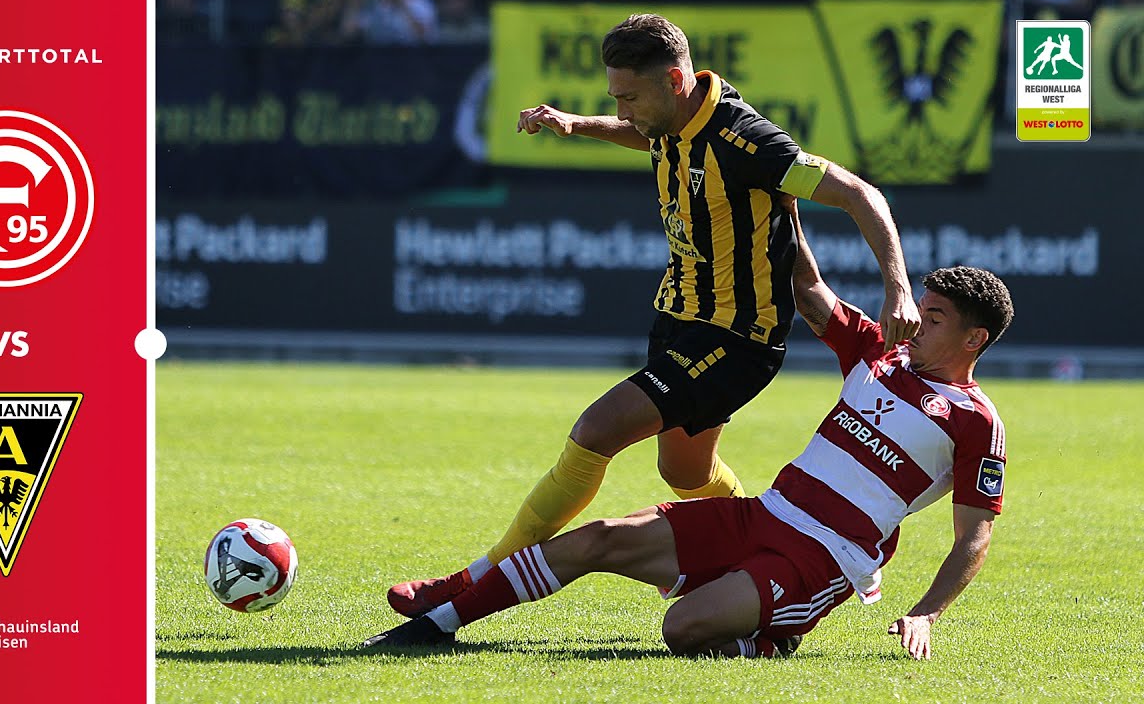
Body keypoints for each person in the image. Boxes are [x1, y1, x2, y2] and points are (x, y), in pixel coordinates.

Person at [385, 13, 920, 620]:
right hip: (679, 321)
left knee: (596, 430)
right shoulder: (670, 118)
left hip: (734, 339)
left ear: (674, 79)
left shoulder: (749, 141)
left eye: (630, 96)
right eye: (616, 96)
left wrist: (898, 289)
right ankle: (774, 551)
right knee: (684, 470)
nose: (624, 108)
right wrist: (576, 124)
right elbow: (647, 135)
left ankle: (471, 581)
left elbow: (858, 193)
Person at [366, 202, 1014, 660]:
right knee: (598, 539)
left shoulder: (975, 423)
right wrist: (776, 198)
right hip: (762, 516)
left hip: (821, 559)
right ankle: (437, 624)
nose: (914, 322)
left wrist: (926, 612)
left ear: (973, 338)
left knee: (682, 630)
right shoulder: (881, 353)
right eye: (920, 310)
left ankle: (765, 638)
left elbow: (974, 537)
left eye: (932, 318)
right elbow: (810, 290)